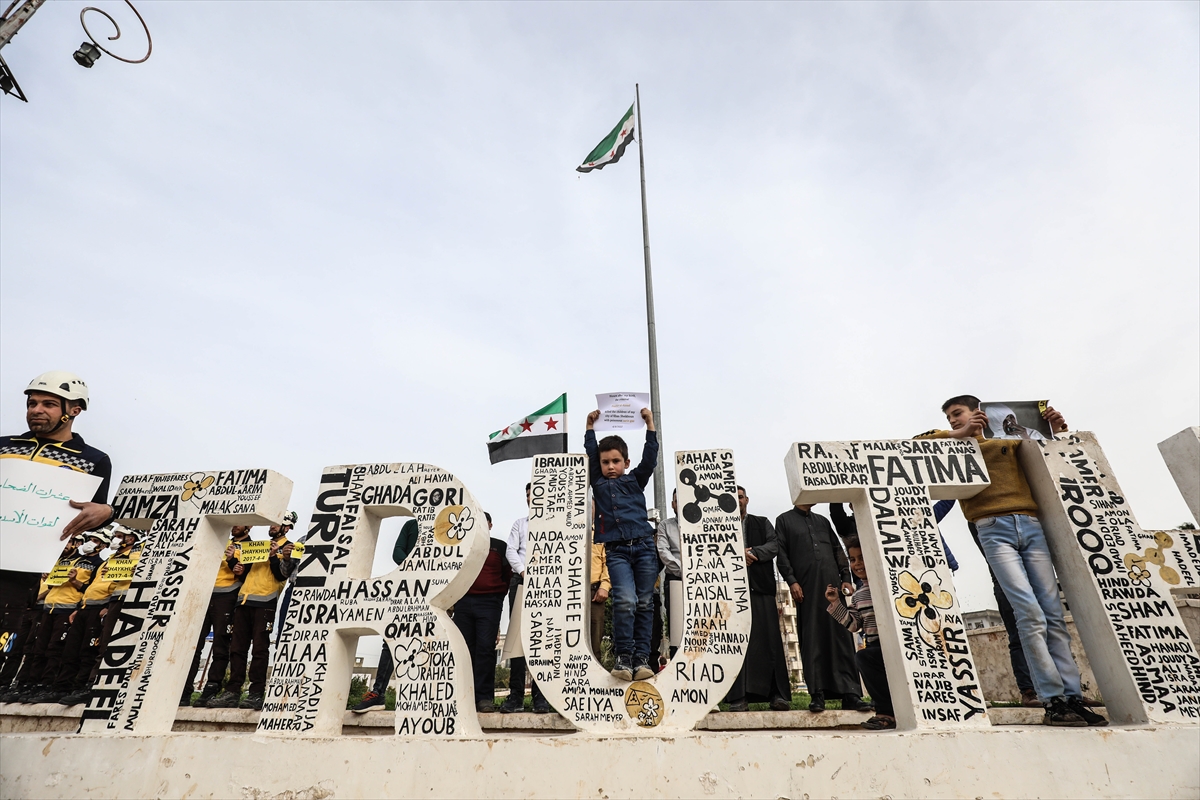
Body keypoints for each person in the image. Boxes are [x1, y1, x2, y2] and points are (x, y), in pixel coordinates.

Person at [916, 396, 1106, 727]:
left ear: (979, 410)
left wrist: (1058, 430)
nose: (952, 421)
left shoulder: (1010, 438)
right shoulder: (951, 443)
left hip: (1031, 524)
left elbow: (1049, 455)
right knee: (1028, 612)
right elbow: (915, 445)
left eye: (957, 414)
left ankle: (1073, 696)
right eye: (948, 417)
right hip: (991, 527)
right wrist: (960, 435)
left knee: (1052, 613)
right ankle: (1054, 700)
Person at [1, 372, 114, 695]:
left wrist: (108, 512)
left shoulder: (94, 461)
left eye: (49, 404)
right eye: (32, 403)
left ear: (74, 410)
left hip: (19, 576)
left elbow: (99, 512)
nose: (37, 409)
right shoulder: (4, 446)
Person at [584, 407, 659, 682]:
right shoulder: (599, 484)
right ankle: (623, 657)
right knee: (625, 600)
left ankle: (642, 659)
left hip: (643, 547)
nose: (610, 466)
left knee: (644, 602)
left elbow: (650, 459)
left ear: (626, 462)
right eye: (606, 462)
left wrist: (650, 423)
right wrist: (589, 427)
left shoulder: (635, 480)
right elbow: (591, 454)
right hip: (615, 551)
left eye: (616, 461)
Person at [775, 504, 868, 713]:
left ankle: (851, 694)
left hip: (833, 589)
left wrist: (845, 578)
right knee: (812, 639)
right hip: (806, 590)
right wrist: (791, 581)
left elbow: (838, 552)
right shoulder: (784, 520)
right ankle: (817, 694)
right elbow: (782, 555)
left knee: (842, 639)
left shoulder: (822, 522)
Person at [207, 514, 298, 710]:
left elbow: (282, 574)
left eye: (277, 524)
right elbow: (246, 572)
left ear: (287, 527)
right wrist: (233, 562)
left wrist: (275, 556)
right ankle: (232, 691)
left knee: (259, 650)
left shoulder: (289, 548)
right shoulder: (260, 546)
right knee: (237, 649)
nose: (272, 527)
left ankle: (256, 693)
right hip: (244, 599)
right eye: (272, 524)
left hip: (265, 601)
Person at [13, 531, 105, 703]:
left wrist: (74, 585)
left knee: (57, 649)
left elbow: (87, 588)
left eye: (95, 540)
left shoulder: (97, 563)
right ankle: (33, 685)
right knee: (38, 648)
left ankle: (50, 685)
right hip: (49, 609)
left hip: (69, 610)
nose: (90, 543)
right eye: (90, 540)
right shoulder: (62, 561)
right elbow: (52, 586)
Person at [724, 486, 791, 712]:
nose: (737, 501)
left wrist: (751, 554)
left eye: (740, 497)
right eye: (732, 498)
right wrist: (737, 554)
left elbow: (774, 545)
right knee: (737, 643)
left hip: (761, 591)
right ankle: (739, 697)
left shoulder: (761, 522)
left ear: (747, 500)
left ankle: (777, 696)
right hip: (732, 594)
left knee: (770, 641)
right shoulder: (719, 528)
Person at [61, 526, 142, 706]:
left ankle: (106, 687)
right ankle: (90, 685)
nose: (117, 540)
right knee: (102, 645)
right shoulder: (111, 559)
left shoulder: (140, 553)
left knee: (116, 646)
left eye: (121, 536)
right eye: (116, 536)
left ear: (132, 538)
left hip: (130, 601)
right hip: (111, 601)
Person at [351, 517, 420, 712]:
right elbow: (397, 552)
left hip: (439, 590)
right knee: (391, 639)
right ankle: (378, 693)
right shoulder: (411, 525)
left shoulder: (445, 523)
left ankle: (426, 697)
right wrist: (419, 567)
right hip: (408, 588)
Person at [825, 536, 894, 730]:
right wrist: (836, 604)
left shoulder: (891, 585)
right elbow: (854, 625)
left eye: (862, 558)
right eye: (853, 560)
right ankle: (885, 711)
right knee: (863, 657)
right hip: (875, 646)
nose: (857, 564)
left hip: (899, 645)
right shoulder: (858, 595)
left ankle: (888, 711)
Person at [184, 525, 252, 707]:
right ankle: (184, 689)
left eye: (240, 523)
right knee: (192, 644)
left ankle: (211, 688)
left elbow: (249, 575)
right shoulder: (221, 541)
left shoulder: (252, 547)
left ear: (249, 526)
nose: (235, 526)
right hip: (204, 593)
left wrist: (233, 562)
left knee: (221, 645)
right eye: (233, 523)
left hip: (228, 596)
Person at [453, 512, 512, 714]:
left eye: (484, 522)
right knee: (463, 650)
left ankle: (484, 698)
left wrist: (497, 595)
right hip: (463, 602)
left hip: (489, 602)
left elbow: (507, 575)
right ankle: (463, 697)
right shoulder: (461, 544)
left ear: (490, 524)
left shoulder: (499, 546)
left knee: (486, 650)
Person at [500, 484, 549, 713]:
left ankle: (542, 696)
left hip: (548, 585)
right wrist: (524, 572)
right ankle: (516, 696)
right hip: (521, 581)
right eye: (529, 495)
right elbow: (511, 550)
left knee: (544, 639)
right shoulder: (520, 524)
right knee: (518, 639)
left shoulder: (552, 525)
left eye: (536, 495)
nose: (532, 499)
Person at [655, 490, 681, 658]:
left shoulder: (705, 525)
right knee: (677, 628)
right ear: (672, 504)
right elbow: (664, 553)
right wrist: (687, 571)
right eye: (677, 501)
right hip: (676, 580)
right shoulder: (665, 525)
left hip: (703, 582)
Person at [589, 536, 611, 658]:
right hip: (566, 591)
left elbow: (608, 561)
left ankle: (594, 671)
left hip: (594, 590)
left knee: (595, 638)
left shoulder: (601, 532)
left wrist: (605, 585)